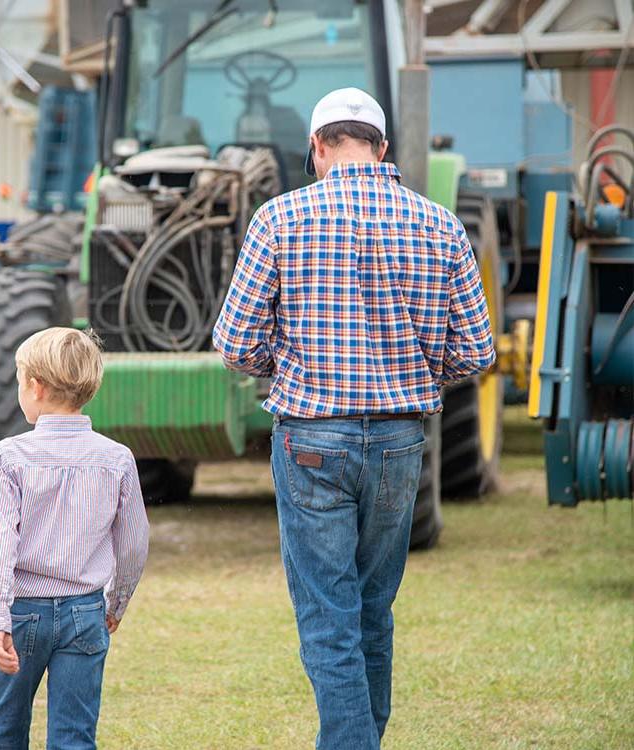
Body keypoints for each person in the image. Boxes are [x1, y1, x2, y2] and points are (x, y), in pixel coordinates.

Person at [213, 87, 495, 749]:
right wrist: (413, 371)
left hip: (311, 439)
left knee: (327, 618)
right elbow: (477, 351)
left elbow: (233, 344)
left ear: (317, 146)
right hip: (400, 441)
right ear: (383, 148)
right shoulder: (439, 224)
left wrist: (284, 361)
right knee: (371, 611)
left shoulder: (279, 218)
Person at [0, 327, 149, 749]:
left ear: (35, 386)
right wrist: (117, 602)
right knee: (74, 737)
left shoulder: (7, 458)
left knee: (5, 731)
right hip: (86, 612)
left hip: (21, 614)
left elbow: (0, 546)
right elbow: (133, 543)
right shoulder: (117, 459)